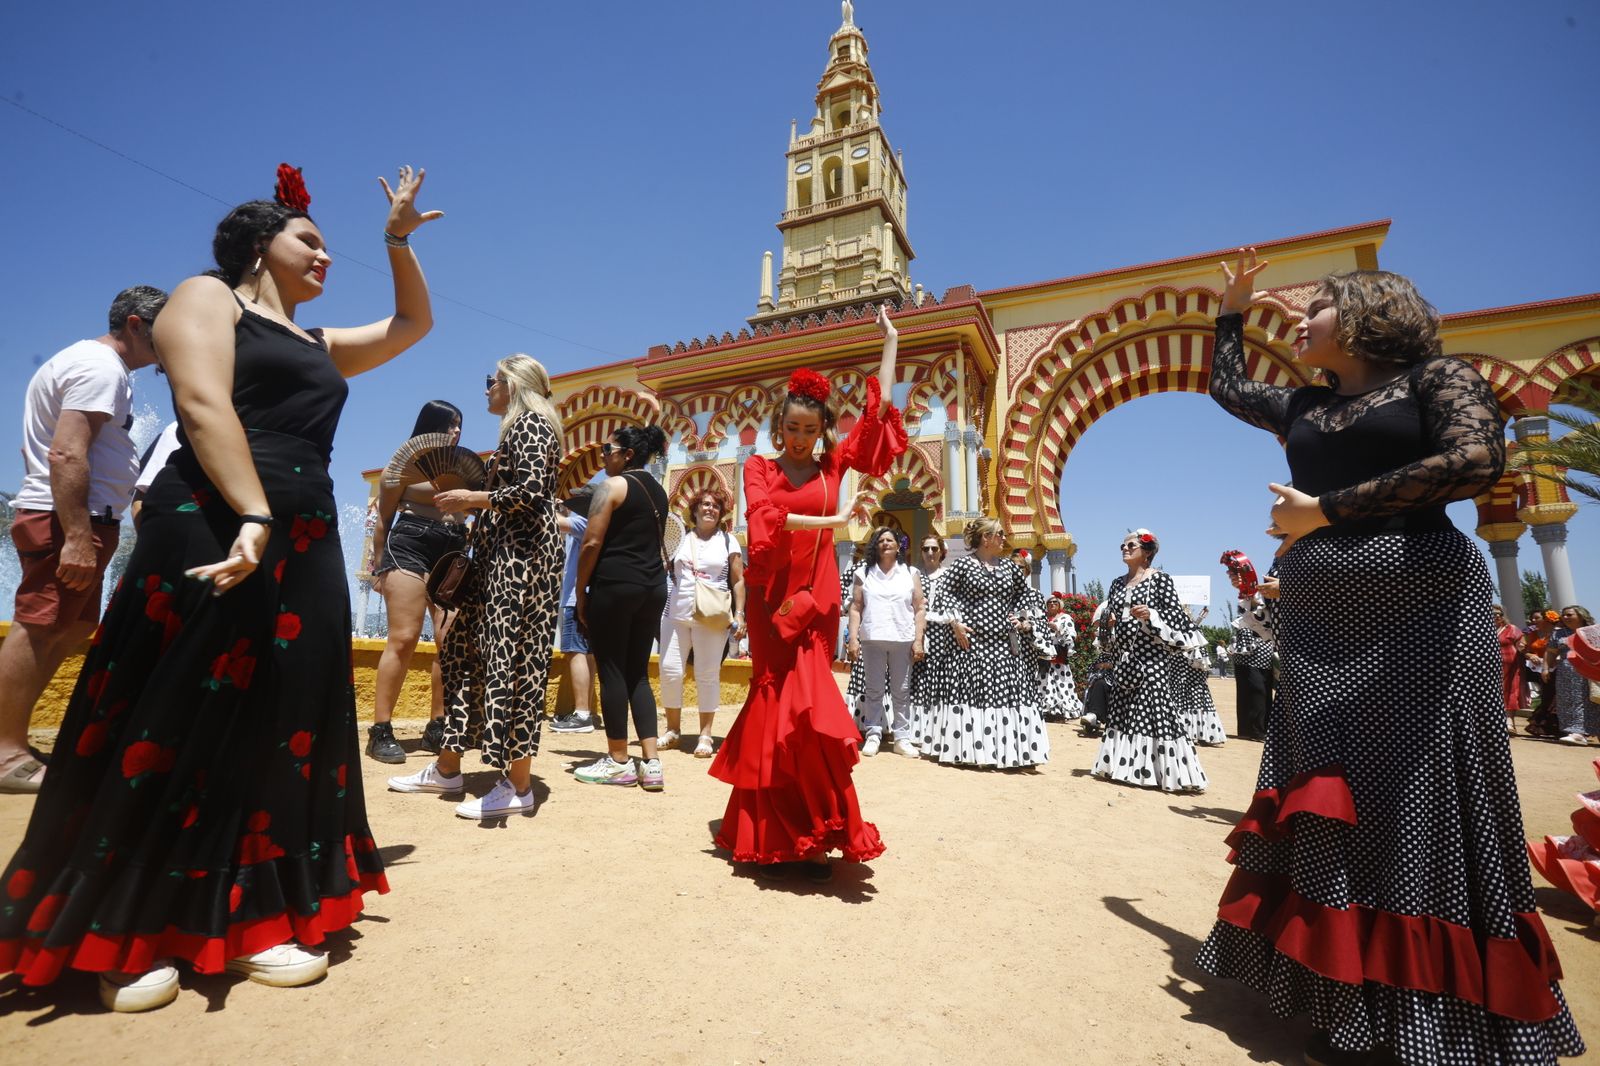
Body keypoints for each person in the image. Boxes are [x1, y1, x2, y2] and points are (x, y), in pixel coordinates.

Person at [0, 163, 438, 1010]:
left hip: (298, 536)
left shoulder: (319, 342)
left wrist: (397, 241)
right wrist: (253, 513)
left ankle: (244, 912)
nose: (323, 256)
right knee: (173, 713)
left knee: (282, 721)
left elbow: (415, 322)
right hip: (213, 521)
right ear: (255, 245)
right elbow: (204, 407)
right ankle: (126, 925)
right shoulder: (205, 298)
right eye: (309, 241)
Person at [1197, 250, 1581, 1062]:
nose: (1300, 321)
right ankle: (1342, 995)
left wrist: (1325, 511)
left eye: (1319, 307)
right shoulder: (1303, 400)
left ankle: (1426, 1011)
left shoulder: (1437, 381)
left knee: (1417, 786)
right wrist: (1230, 311)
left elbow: (1477, 462)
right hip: (1320, 622)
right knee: (1328, 788)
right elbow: (1228, 389)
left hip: (1421, 610)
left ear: (1370, 314)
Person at [710, 305, 903, 881]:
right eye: (791, 428)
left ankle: (816, 833)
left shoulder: (833, 464)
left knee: (812, 713)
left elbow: (880, 415)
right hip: (775, 607)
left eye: (810, 430)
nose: (799, 438)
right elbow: (764, 520)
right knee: (775, 705)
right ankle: (772, 835)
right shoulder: (759, 470)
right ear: (778, 428)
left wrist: (890, 344)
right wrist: (833, 520)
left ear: (822, 431)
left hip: (817, 604)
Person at [0, 285, 167, 794]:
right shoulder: (101, 367)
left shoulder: (99, 367)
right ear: (136, 325)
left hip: (85, 519)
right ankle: (5, 753)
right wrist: (75, 535)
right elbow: (67, 454)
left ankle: (14, 741)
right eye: (167, 332)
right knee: (41, 627)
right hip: (69, 519)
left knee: (66, 629)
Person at [388, 356, 563, 819]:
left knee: (516, 664)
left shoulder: (530, 426)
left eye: (492, 381)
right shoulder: (519, 429)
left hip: (520, 563)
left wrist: (472, 498)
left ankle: (518, 783)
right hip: (499, 559)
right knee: (464, 655)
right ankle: (448, 767)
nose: (486, 388)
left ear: (512, 385)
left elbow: (530, 494)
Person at [365, 400, 466, 763]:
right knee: (405, 636)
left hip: (452, 547)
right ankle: (380, 730)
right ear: (430, 426)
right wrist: (379, 567)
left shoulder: (465, 468)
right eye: (449, 424)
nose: (455, 431)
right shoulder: (404, 462)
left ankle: (437, 726)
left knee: (448, 639)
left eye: (459, 425)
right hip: (409, 543)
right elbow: (383, 520)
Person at [572, 425, 671, 790]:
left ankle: (618, 760)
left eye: (606, 450)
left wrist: (582, 591)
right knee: (638, 673)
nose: (602, 457)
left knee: (611, 671)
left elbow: (590, 543)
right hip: (653, 587)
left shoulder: (611, 487)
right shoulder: (658, 491)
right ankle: (652, 762)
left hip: (615, 585)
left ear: (627, 454)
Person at [916, 517, 1050, 769]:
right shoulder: (964, 566)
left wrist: (1022, 620)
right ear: (985, 538)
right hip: (970, 645)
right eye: (998, 534)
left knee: (1002, 696)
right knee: (972, 696)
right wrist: (955, 622)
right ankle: (970, 751)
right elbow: (945, 594)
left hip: (1003, 646)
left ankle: (1005, 752)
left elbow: (1025, 597)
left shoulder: (1010, 568)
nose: (1003, 538)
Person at [1088, 529, 1207, 792]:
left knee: (1155, 709)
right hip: (1124, 657)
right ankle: (1125, 767)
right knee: (1122, 709)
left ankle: (1166, 773)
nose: (1125, 548)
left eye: (1132, 544)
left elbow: (1176, 617)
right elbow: (1110, 614)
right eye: (1123, 544)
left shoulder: (1160, 580)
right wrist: (1111, 622)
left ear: (1148, 552)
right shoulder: (1117, 584)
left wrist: (1151, 613)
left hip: (1151, 657)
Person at [659, 486, 746, 758]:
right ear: (694, 509)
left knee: (707, 674)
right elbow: (664, 567)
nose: (710, 509)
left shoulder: (728, 540)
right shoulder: (680, 539)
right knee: (670, 670)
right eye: (705, 504)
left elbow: (738, 580)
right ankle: (673, 729)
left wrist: (740, 613)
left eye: (716, 506)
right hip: (675, 611)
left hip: (712, 613)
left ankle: (705, 735)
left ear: (721, 513)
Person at [848, 524, 925, 757]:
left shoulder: (910, 573)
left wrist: (918, 640)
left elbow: (920, 608)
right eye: (881, 540)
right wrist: (853, 638)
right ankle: (873, 734)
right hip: (873, 637)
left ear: (898, 546)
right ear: (875, 546)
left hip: (902, 637)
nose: (885, 544)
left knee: (901, 690)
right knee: (874, 689)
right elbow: (856, 607)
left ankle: (902, 737)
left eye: (890, 540)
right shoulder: (864, 573)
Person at [549, 486, 598, 734]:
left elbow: (555, 522)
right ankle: (585, 711)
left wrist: (549, 505)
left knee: (575, 651)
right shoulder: (595, 523)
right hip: (590, 595)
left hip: (574, 598)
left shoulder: (582, 522)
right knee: (587, 654)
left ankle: (581, 714)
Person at [1546, 604, 1599, 745]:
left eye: (1570, 614)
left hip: (1589, 672)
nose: (1565, 617)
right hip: (1565, 673)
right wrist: (1545, 668)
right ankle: (1577, 732)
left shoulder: (1592, 631)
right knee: (1568, 701)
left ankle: (1584, 732)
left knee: (1590, 701)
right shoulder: (1558, 633)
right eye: (1564, 615)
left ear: (1581, 616)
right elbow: (1551, 652)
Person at [1038, 595, 1084, 720]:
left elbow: (1071, 634)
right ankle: (1047, 709)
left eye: (1055, 602)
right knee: (1045, 681)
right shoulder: (1042, 618)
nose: (1052, 604)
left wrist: (1057, 628)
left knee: (1060, 681)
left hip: (1058, 653)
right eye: (1049, 602)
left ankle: (1064, 709)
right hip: (1044, 653)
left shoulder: (1065, 617)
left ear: (1059, 604)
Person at [1494, 603, 1525, 734]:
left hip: (1510, 666)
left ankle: (1509, 721)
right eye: (1492, 615)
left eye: (1498, 614)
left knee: (1510, 689)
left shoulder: (1511, 628)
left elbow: (1521, 642)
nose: (1496, 617)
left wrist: (1522, 646)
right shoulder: (1483, 629)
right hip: (1489, 666)